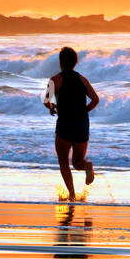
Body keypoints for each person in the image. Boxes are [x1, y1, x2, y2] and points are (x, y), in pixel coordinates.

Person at [42, 46, 99, 200]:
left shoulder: (54, 80)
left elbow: (46, 101)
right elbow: (95, 99)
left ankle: (72, 194)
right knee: (78, 162)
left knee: (63, 162)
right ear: (75, 63)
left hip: (65, 124)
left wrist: (52, 107)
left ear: (61, 62)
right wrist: (83, 111)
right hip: (81, 124)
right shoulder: (82, 79)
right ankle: (87, 166)